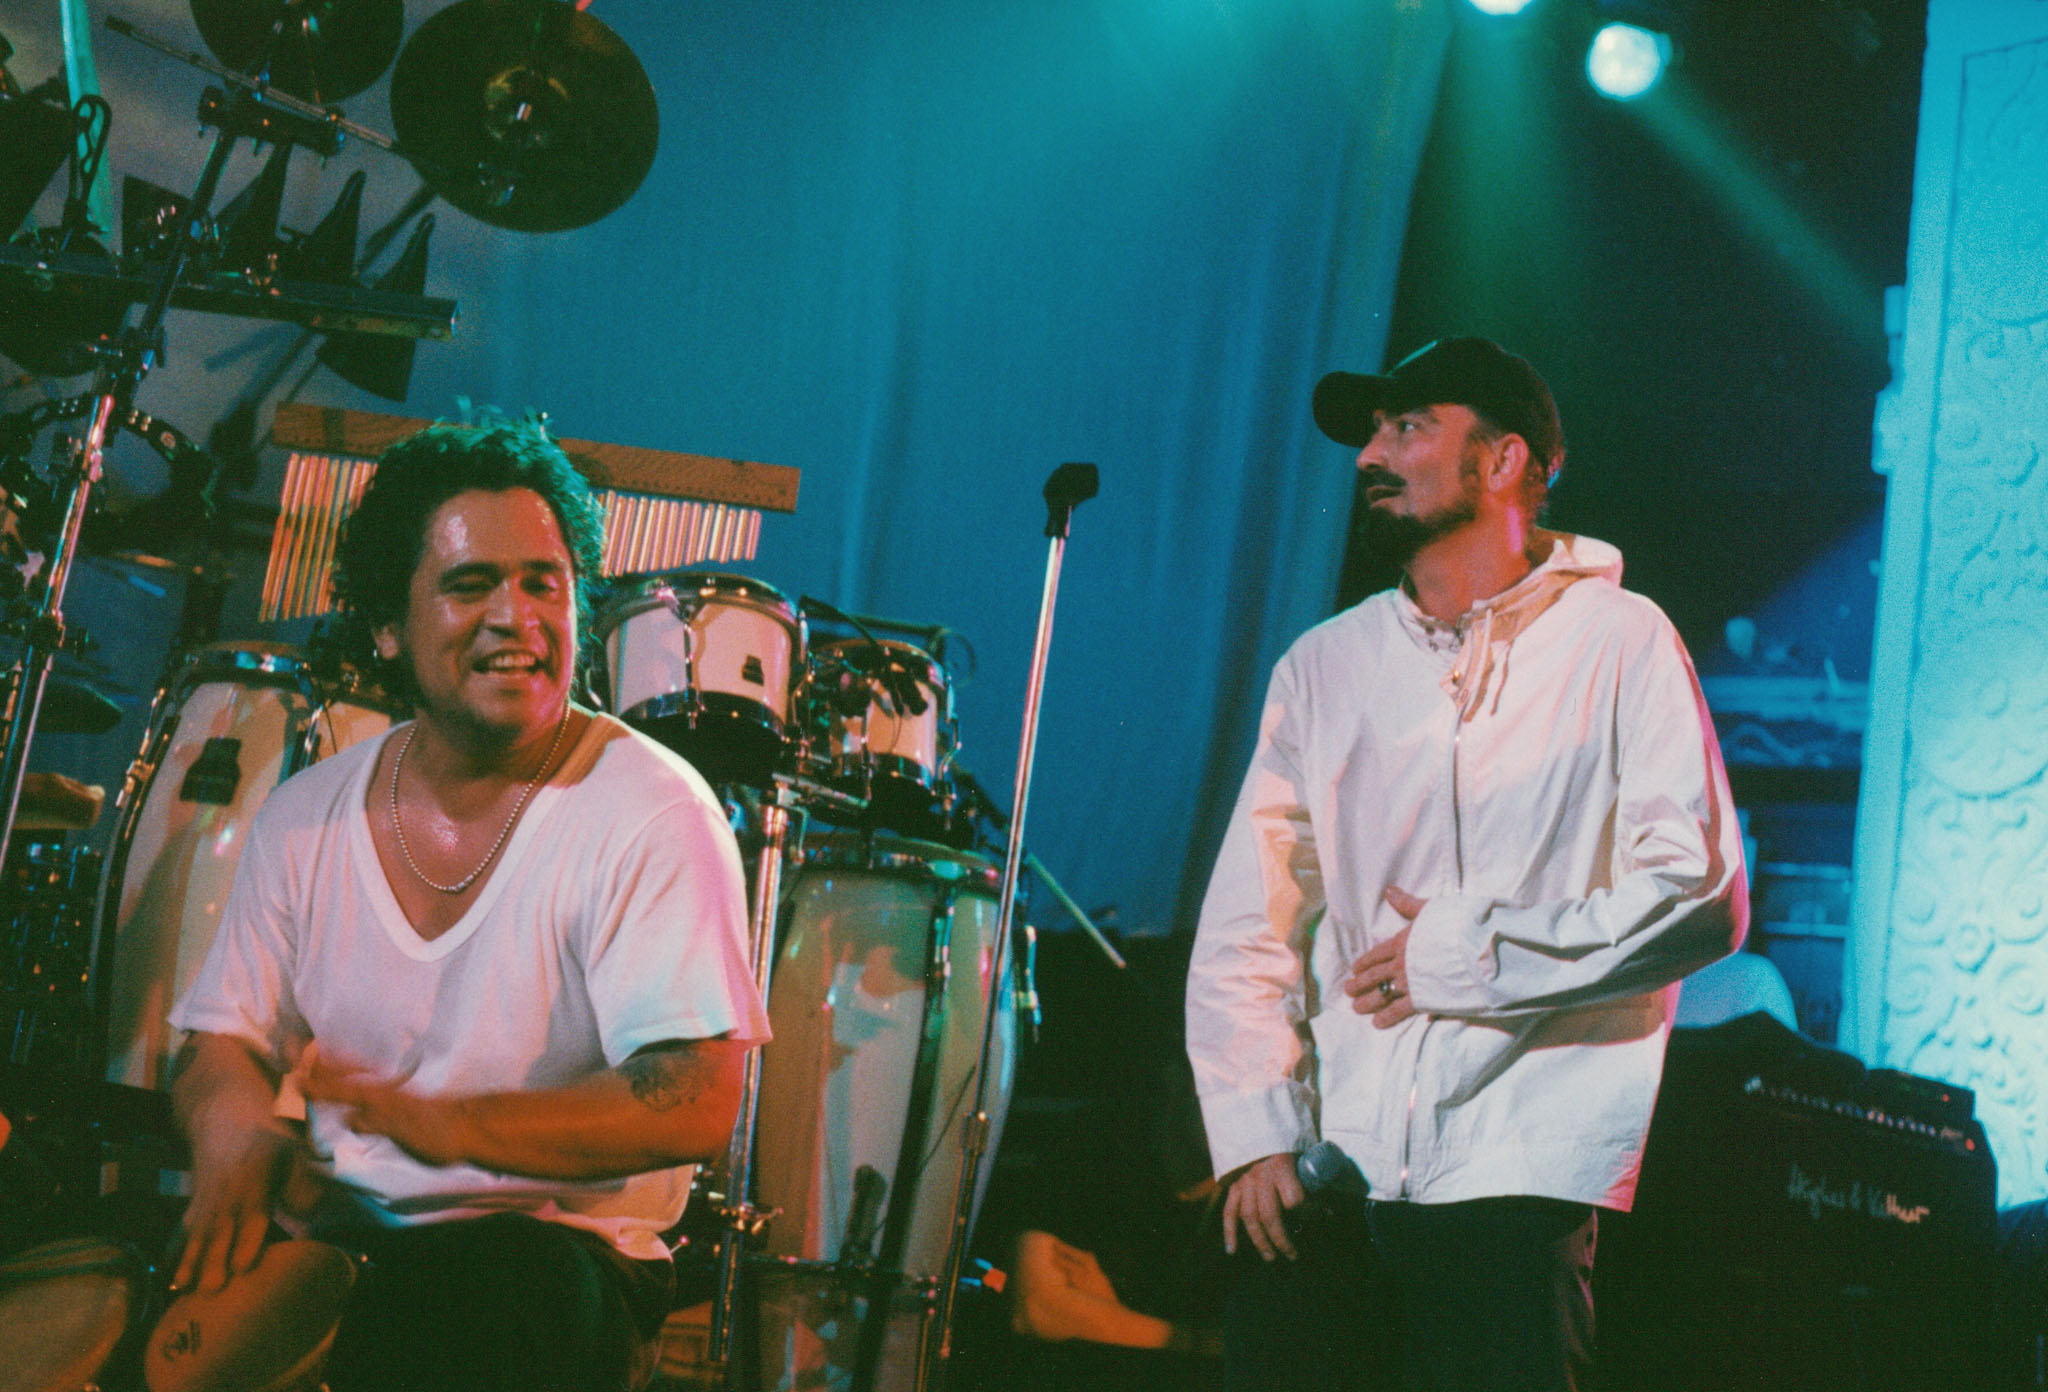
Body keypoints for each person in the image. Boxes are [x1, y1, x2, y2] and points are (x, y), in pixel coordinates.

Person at [1184, 338, 1747, 1392]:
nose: (1369, 456)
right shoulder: (1325, 665)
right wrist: (1256, 1131)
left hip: (1516, 1179)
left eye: (1407, 427)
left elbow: (1699, 895)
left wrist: (1460, 956)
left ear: (1501, 461)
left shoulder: (1620, 641)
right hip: (1328, 1177)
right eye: (1371, 433)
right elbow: (1248, 924)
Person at [164, 420, 770, 1392]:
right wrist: (233, 1132)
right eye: (470, 584)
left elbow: (695, 1097)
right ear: (388, 625)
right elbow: (220, 1041)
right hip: (334, 1236)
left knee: (485, 1293)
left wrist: (454, 1127)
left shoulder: (653, 812)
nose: (513, 618)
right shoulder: (306, 815)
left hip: (540, 1265)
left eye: (543, 584)